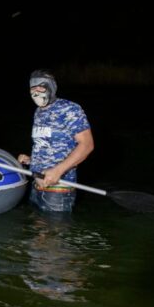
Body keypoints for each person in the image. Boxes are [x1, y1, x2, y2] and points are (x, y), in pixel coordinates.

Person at [17, 69, 94, 212]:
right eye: (33, 87)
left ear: (51, 87)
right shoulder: (39, 111)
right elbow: (47, 144)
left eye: (41, 86)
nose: (36, 91)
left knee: (54, 233)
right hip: (36, 185)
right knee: (36, 229)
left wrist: (58, 171)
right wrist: (31, 160)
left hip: (58, 190)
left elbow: (87, 145)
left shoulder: (69, 109)